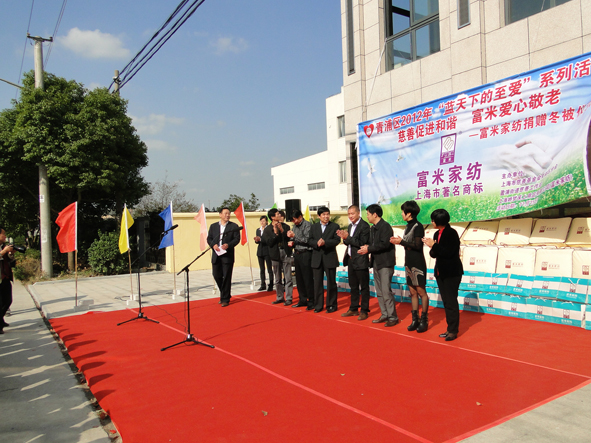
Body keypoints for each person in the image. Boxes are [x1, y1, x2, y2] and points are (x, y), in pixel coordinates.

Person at [422, 209, 463, 341]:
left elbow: (449, 253)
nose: (432, 222)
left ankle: (453, 330)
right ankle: (449, 328)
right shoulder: (436, 234)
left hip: (451, 272)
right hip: (440, 272)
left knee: (451, 302)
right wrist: (431, 246)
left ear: (439, 221)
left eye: (433, 220)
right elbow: (434, 254)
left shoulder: (451, 233)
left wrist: (435, 246)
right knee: (446, 302)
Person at [390, 201, 429, 332]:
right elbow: (407, 244)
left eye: (403, 212)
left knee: (421, 292)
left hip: (418, 263)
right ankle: (415, 319)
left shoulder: (418, 226)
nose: (402, 214)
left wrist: (401, 242)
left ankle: (424, 320)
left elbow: (418, 246)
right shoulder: (407, 226)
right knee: (412, 292)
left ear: (409, 213)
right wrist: (400, 242)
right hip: (409, 262)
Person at [359, 204, 399, 327]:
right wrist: (367, 247)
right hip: (376, 262)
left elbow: (384, 244)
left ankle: (392, 316)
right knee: (380, 291)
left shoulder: (385, 226)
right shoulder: (373, 228)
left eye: (368, 214)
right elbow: (372, 244)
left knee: (386, 291)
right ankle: (385, 314)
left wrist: (369, 249)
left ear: (375, 214)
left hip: (385, 263)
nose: (367, 216)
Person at [337, 205, 371, 321]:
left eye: (352, 213)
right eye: (349, 214)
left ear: (358, 213)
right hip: (351, 259)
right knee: (353, 286)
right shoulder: (351, 226)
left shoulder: (364, 226)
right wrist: (344, 238)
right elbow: (349, 243)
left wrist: (348, 237)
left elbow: (362, 243)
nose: (350, 216)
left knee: (364, 287)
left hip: (360, 260)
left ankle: (364, 310)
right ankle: (354, 308)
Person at [308, 206, 341, 313]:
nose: (326, 216)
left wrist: (325, 243)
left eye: (327, 214)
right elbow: (309, 240)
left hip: (329, 257)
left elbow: (337, 240)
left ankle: (331, 305)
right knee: (317, 283)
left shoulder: (334, 226)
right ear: (319, 216)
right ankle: (318, 305)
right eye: (323, 214)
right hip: (317, 258)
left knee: (331, 283)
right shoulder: (314, 227)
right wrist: (316, 243)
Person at [207, 208, 241, 307]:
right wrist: (213, 245)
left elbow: (236, 239)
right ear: (220, 214)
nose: (227, 215)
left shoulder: (234, 226)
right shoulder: (213, 226)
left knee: (226, 277)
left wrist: (228, 245)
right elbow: (209, 238)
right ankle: (225, 293)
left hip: (227, 255)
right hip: (216, 254)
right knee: (216, 275)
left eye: (229, 213)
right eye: (225, 213)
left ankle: (225, 299)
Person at [262, 208, 293, 306]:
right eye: (277, 214)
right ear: (272, 217)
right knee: (278, 278)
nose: (279, 215)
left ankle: (289, 298)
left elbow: (288, 238)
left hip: (285, 252)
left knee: (288, 277)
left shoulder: (286, 226)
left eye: (279, 214)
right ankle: (280, 297)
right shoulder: (267, 229)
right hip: (275, 254)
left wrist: (282, 230)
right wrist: (275, 234)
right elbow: (269, 242)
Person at [287, 209, 314, 309]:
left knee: (307, 278)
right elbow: (293, 238)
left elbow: (307, 240)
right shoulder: (295, 226)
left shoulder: (307, 225)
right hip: (297, 253)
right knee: (299, 279)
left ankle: (311, 300)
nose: (294, 222)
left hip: (306, 253)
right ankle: (302, 299)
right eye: (292, 220)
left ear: (300, 217)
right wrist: (291, 241)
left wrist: (294, 236)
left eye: (295, 219)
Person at [0, 227, 16, 334]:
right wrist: (4, 251)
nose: (5, 236)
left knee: (8, 301)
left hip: (5, 277)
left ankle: (0, 320)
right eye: (3, 234)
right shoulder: (3, 248)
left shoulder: (3, 246)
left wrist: (10, 254)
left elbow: (10, 261)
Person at [254, 216, 273, 291]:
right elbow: (257, 241)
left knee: (269, 268)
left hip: (267, 250)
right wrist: (257, 240)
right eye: (261, 221)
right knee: (262, 269)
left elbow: (268, 240)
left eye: (263, 221)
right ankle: (263, 284)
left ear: (266, 222)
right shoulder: (258, 230)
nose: (262, 222)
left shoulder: (269, 229)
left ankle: (271, 284)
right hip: (260, 251)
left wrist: (261, 239)